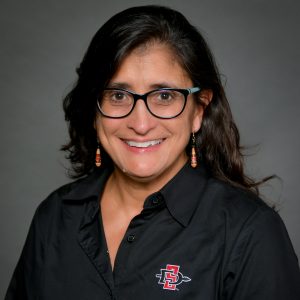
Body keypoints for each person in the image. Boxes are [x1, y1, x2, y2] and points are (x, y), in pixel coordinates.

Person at [5, 5, 300, 300]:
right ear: (94, 111)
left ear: (199, 110)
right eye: (118, 95)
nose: (141, 124)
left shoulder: (251, 232)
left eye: (164, 96)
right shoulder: (55, 216)